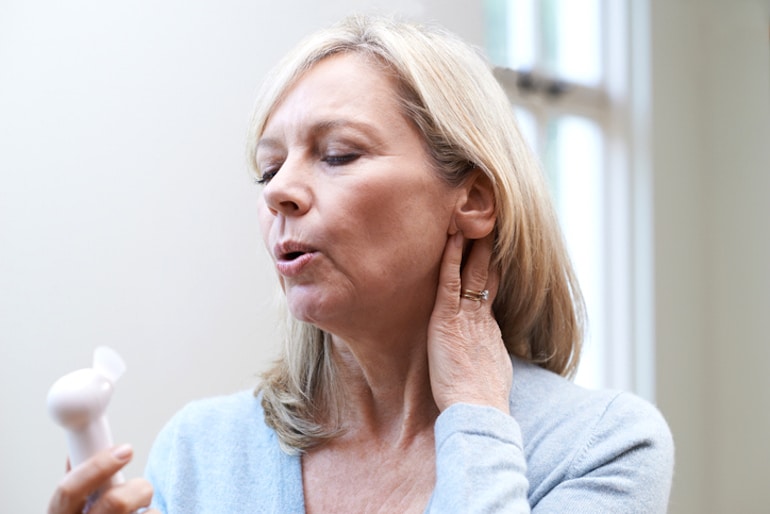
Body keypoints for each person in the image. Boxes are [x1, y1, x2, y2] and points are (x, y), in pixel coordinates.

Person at [48, 14, 674, 514]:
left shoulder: (601, 448)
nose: (277, 192)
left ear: (473, 199)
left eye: (339, 154)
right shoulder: (199, 451)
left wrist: (478, 419)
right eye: (268, 168)